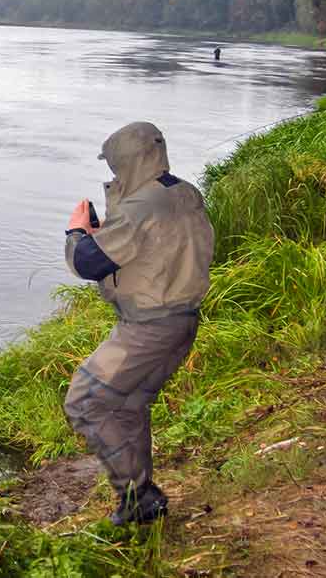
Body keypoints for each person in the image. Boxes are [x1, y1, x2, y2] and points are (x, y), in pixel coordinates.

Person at [62, 121, 214, 525]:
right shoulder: (183, 192)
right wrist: (104, 232)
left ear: (127, 160)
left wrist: (77, 232)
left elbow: (88, 263)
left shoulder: (140, 205)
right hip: (181, 322)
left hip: (149, 329)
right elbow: (149, 249)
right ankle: (141, 504)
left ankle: (140, 496)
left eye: (115, 165)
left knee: (85, 402)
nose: (113, 173)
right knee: (128, 405)